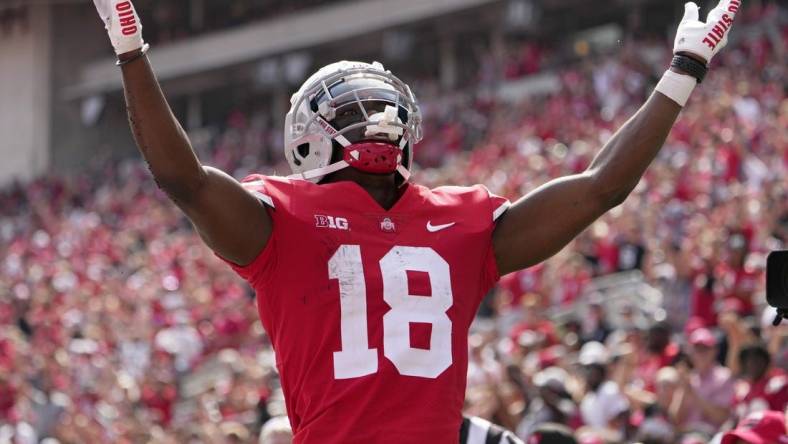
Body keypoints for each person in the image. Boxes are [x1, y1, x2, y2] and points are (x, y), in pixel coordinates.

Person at [89, 0, 742, 441]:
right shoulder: (459, 223)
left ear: (310, 139)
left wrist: (131, 48)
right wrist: (681, 75)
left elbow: (182, 178)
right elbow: (603, 187)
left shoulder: (282, 219)